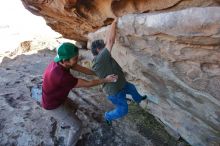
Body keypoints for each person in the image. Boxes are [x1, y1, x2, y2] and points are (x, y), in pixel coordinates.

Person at [41, 42, 117, 146]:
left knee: (74, 107)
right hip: (52, 105)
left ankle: (65, 123)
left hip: (57, 97)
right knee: (77, 126)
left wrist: (98, 73)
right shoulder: (61, 76)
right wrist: (105, 80)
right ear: (65, 61)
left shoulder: (60, 61)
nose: (78, 59)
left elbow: (81, 69)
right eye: (75, 58)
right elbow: (87, 83)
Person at [91, 18, 148, 126]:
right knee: (123, 110)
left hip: (121, 84)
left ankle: (138, 99)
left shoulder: (101, 56)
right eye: (103, 47)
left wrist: (111, 27)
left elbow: (107, 40)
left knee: (132, 88)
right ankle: (108, 116)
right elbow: (111, 42)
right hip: (115, 92)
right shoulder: (100, 59)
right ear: (99, 50)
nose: (105, 47)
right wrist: (114, 22)